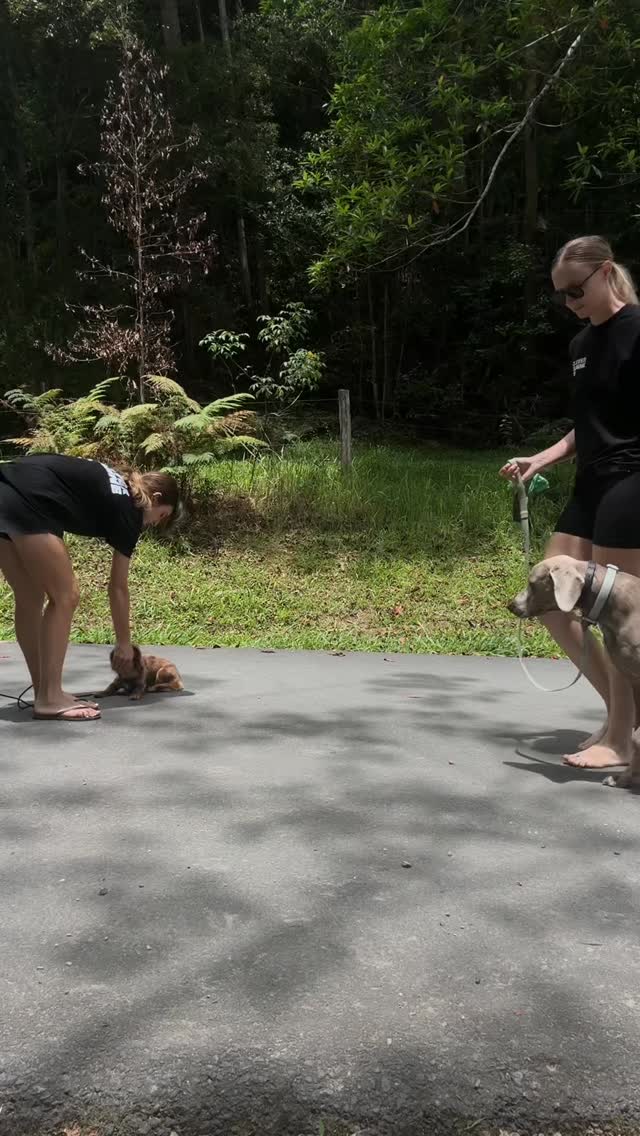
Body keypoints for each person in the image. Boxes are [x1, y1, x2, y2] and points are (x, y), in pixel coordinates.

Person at [500, 234, 640, 770]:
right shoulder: (581, 347)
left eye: (575, 291)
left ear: (606, 272)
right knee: (550, 600)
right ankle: (619, 716)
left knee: (620, 618)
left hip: (632, 482)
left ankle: (623, 743)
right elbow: (588, 423)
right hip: (591, 480)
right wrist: (543, 457)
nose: (569, 304)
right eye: (561, 296)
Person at [0, 453, 180, 722]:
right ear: (154, 498)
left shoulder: (117, 487)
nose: (155, 523)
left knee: (29, 596)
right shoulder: (130, 510)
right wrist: (124, 644)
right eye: (162, 515)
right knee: (65, 596)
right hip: (29, 499)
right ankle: (49, 697)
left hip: (6, 488)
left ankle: (45, 692)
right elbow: (118, 587)